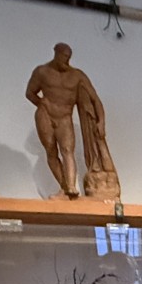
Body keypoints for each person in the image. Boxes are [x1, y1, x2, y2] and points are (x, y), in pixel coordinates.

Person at [25, 43, 115, 198]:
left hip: (65, 117)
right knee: (51, 151)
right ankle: (64, 187)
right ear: (56, 53)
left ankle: (71, 187)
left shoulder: (77, 75)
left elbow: (95, 99)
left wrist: (101, 122)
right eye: (63, 57)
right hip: (45, 114)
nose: (66, 60)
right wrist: (42, 103)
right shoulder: (42, 71)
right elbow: (29, 93)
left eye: (68, 57)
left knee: (67, 151)